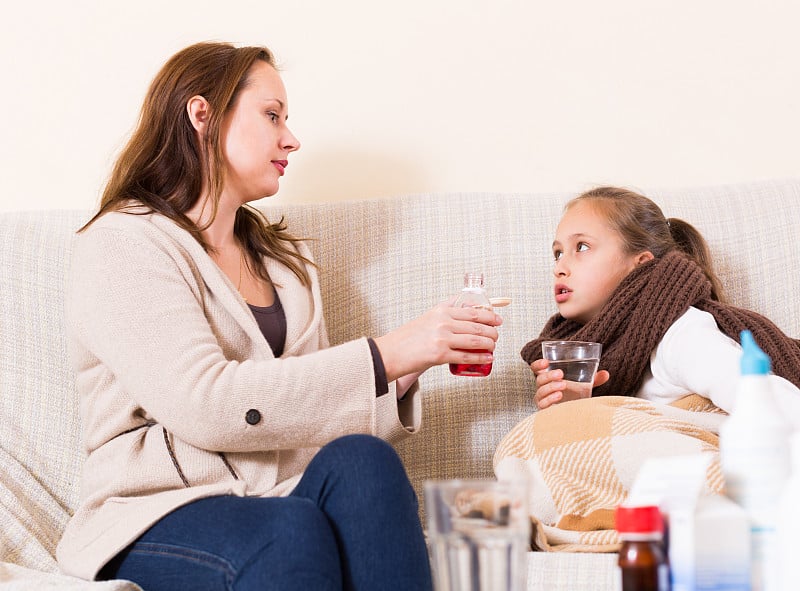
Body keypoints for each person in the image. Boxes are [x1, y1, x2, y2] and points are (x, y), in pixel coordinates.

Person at [55, 41, 502, 591]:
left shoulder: (285, 265)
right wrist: (390, 352)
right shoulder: (124, 244)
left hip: (276, 497)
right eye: (272, 116)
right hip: (155, 513)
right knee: (289, 531)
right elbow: (205, 403)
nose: (292, 138)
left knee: (363, 462)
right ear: (203, 116)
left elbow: (304, 414)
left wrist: (413, 364)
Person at [520, 186, 800, 421]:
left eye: (581, 247)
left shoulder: (681, 334)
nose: (559, 267)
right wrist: (565, 412)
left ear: (639, 265)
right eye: (557, 253)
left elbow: (772, 404)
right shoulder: (593, 354)